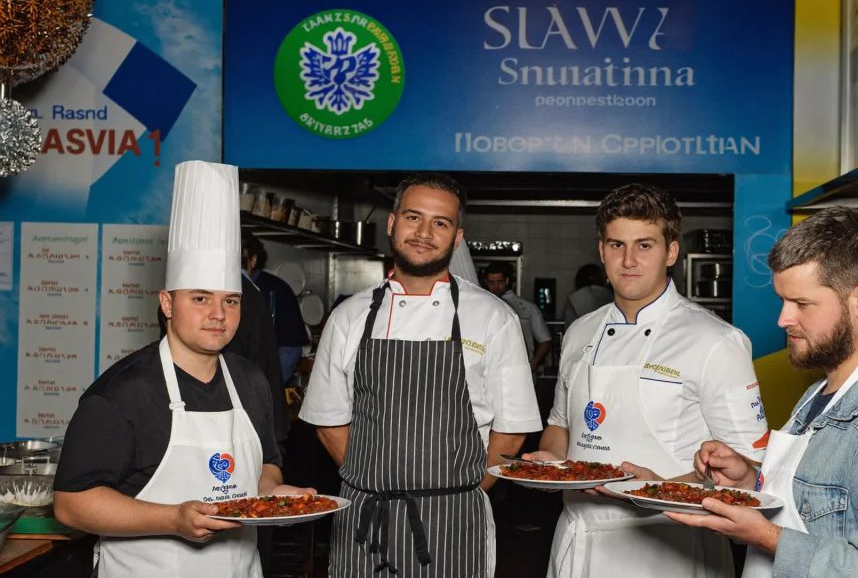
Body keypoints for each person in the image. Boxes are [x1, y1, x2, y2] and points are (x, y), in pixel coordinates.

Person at [668, 206, 858, 578]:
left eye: (802, 304)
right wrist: (748, 481)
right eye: (782, 301)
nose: (783, 319)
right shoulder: (821, 393)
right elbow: (814, 507)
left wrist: (768, 537)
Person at [53, 161, 313, 577]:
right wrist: (172, 519)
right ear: (168, 303)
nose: (218, 314)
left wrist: (275, 497)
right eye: (200, 298)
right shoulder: (123, 392)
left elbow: (266, 464)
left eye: (230, 301)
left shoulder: (250, 381)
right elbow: (71, 504)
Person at [299, 173, 542, 577]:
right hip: (367, 515)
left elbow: (512, 431)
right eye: (413, 217)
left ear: (457, 237)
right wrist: (374, 480)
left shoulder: (493, 317)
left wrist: (457, 493)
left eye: (440, 223)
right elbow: (328, 421)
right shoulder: (349, 316)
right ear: (392, 223)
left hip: (455, 518)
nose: (424, 233)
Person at [525, 183, 768, 578]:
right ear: (601, 250)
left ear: (670, 252)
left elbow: (750, 467)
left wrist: (658, 489)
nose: (628, 260)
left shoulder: (715, 340)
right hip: (576, 538)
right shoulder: (580, 332)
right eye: (616, 245)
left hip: (669, 547)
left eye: (644, 245)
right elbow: (560, 425)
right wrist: (553, 464)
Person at [241, 231, 310, 383]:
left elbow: (291, 347)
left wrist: (270, 386)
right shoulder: (220, 289)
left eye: (241, 261)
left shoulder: (276, 290)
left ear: (253, 260)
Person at [484, 261, 552, 375]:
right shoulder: (483, 307)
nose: (496, 287)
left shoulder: (528, 308)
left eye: (500, 282)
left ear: (507, 281)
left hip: (521, 368)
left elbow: (544, 340)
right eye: (492, 283)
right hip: (491, 369)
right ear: (486, 282)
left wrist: (532, 365)